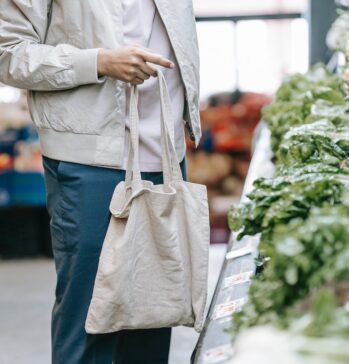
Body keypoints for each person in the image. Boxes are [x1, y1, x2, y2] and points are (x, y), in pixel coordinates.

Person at [0, 1, 201, 363]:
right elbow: (7, 53)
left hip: (166, 157)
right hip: (89, 159)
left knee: (153, 319)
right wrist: (97, 61)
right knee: (90, 321)